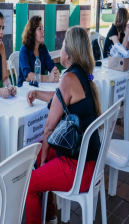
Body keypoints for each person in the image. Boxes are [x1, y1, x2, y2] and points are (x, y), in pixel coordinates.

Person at [26, 26, 101, 224]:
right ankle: (49, 214)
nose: (61, 48)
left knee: (31, 183)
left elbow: (49, 129)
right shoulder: (85, 75)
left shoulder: (68, 77)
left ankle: (44, 213)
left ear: (69, 51)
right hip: (91, 160)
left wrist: (42, 162)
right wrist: (37, 94)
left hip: (79, 168)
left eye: (63, 44)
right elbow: (60, 97)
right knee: (41, 151)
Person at [18, 15, 60, 87]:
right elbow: (28, 76)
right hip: (25, 90)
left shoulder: (43, 48)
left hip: (39, 88)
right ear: (32, 33)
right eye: (39, 29)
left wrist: (55, 72)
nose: (43, 31)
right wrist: (48, 78)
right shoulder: (24, 50)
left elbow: (51, 65)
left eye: (42, 28)